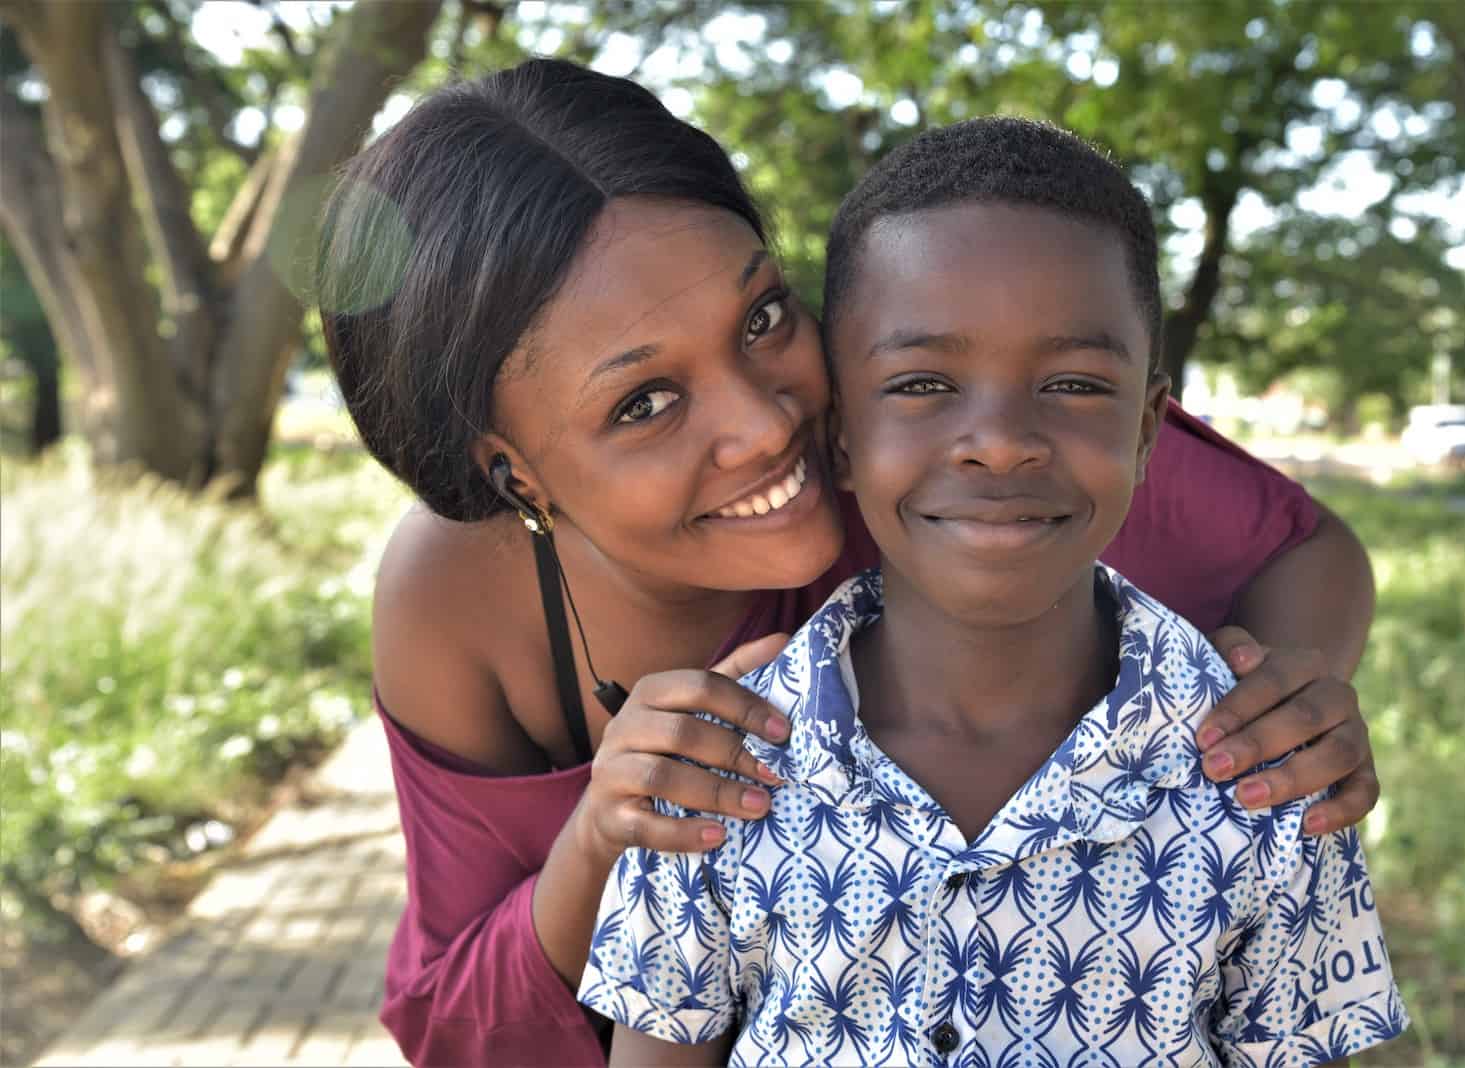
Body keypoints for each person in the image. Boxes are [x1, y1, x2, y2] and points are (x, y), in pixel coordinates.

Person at [315, 59, 1381, 1067]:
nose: (768, 422)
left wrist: (1271, 728)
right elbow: (456, 1028)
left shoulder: (958, 455)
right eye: (644, 403)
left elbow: (1303, 547)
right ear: (514, 474)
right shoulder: (460, 595)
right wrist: (607, 832)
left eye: (763, 317)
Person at [580, 116, 1407, 1067]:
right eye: (924, 383)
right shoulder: (718, 774)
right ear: (841, 435)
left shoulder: (1270, 779)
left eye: (1075, 385)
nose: (1001, 439)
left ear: (1147, 430)